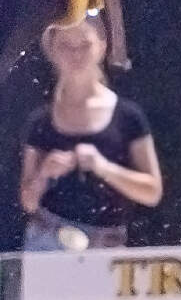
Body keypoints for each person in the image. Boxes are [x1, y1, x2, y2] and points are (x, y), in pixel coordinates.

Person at [20, 16, 163, 250]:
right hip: (48, 240)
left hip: (107, 244)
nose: (75, 54)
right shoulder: (40, 121)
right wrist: (44, 173)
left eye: (84, 45)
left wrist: (104, 168)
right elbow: (28, 202)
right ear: (51, 51)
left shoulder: (128, 117)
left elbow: (152, 192)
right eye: (66, 46)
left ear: (102, 46)